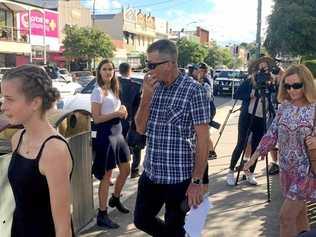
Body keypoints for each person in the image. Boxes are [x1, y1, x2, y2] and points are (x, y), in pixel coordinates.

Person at [133, 39, 210, 236]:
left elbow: (202, 139)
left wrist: (197, 181)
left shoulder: (195, 90)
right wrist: (146, 98)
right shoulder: (152, 87)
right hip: (151, 172)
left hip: (179, 178)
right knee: (141, 220)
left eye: (151, 65)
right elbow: (140, 129)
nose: (148, 70)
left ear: (169, 63)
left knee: (174, 226)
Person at [244, 64, 316, 237]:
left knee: (285, 218)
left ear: (306, 84)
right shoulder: (284, 106)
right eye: (287, 86)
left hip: (306, 172)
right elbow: (272, 133)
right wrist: (254, 157)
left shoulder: (314, 108)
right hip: (286, 170)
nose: (292, 90)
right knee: (299, 216)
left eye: (296, 85)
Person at [1, 65, 73, 237]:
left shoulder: (54, 151)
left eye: (10, 99)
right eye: (3, 98)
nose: (3, 106)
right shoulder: (17, 138)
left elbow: (63, 228)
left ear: (35, 102)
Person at [91, 59, 131, 229]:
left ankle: (115, 198)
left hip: (118, 133)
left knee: (126, 169)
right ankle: (102, 213)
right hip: (105, 135)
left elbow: (117, 106)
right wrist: (116, 113)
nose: (108, 72)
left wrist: (123, 109)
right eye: (104, 69)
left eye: (110, 69)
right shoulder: (97, 91)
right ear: (99, 72)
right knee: (107, 176)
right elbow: (97, 118)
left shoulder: (114, 89)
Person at [226, 56, 276, 186]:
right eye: (262, 66)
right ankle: (231, 171)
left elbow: (272, 98)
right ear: (257, 67)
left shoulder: (269, 82)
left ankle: (250, 173)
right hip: (247, 115)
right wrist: (251, 95)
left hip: (260, 117)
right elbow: (236, 94)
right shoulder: (250, 80)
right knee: (241, 144)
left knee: (256, 146)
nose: (264, 68)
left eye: (266, 66)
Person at [118, 62, 143, 178]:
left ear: (119, 70)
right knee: (136, 146)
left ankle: (122, 170)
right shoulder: (137, 86)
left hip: (117, 120)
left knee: (119, 146)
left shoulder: (114, 85)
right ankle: (135, 170)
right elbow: (139, 106)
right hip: (133, 120)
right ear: (130, 71)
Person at [198, 62, 217, 160]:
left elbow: (208, 96)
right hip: (209, 108)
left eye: (200, 70)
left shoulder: (205, 80)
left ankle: (210, 152)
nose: (199, 72)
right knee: (204, 132)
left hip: (208, 108)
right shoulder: (206, 78)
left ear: (204, 71)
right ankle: (210, 151)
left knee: (204, 132)